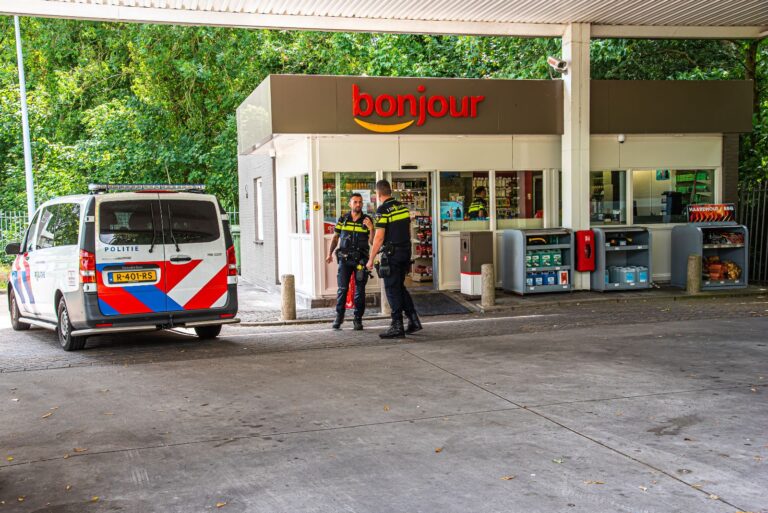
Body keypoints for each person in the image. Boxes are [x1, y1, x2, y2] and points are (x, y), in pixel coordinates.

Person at [366, 180, 423, 339]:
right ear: (390, 191)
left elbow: (379, 238)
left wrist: (371, 259)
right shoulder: (403, 208)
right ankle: (413, 320)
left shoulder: (383, 210)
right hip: (405, 253)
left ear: (378, 194)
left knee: (391, 289)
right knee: (399, 287)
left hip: (393, 255)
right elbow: (408, 231)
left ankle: (397, 325)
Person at [326, 193, 374, 331]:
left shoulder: (367, 220)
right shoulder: (343, 219)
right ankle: (339, 317)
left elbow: (372, 242)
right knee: (342, 289)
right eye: (355, 202)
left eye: (360, 202)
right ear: (350, 204)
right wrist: (329, 254)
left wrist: (371, 228)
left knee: (360, 291)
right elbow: (335, 238)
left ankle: (357, 319)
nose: (358, 204)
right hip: (345, 260)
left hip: (361, 260)